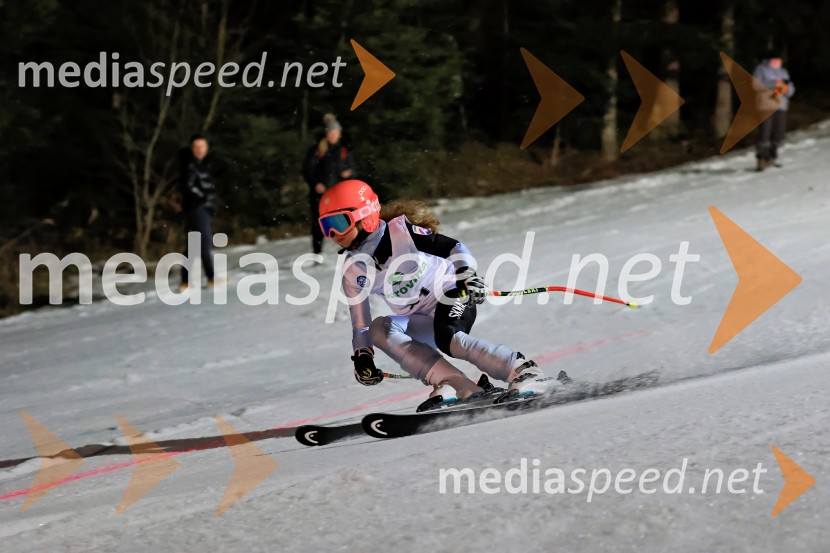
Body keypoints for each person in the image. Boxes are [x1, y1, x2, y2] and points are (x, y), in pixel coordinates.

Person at [318, 179, 555, 412]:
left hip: (453, 293)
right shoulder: (353, 271)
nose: (332, 233)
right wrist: (363, 356)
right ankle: (457, 384)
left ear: (366, 215)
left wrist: (467, 275)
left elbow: (453, 246)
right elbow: (360, 325)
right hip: (421, 318)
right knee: (379, 329)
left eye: (339, 222)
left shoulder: (401, 232)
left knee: (447, 337)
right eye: (325, 226)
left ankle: (523, 370)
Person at [303, 114, 356, 255]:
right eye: (331, 132)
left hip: (338, 195)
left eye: (335, 132)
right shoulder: (317, 150)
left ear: (339, 134)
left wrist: (348, 173)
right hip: (320, 195)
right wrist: (316, 184)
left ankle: (347, 248)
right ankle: (317, 253)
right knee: (318, 224)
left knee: (344, 221)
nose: (333, 135)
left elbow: (353, 171)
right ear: (327, 133)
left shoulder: (343, 152)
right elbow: (308, 171)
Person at [179, 134, 218, 289]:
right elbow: (189, 186)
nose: (199, 150)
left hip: (202, 208)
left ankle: (185, 281)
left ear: (207, 148)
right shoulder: (189, 164)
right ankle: (211, 278)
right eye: (196, 147)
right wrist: (202, 198)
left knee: (194, 244)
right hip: (196, 208)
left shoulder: (203, 164)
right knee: (205, 241)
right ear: (192, 148)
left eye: (202, 147)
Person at [753, 52, 795, 171]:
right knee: (765, 132)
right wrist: (774, 84)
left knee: (779, 133)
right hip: (766, 106)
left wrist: (786, 89)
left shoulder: (783, 71)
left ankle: (772, 156)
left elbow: (790, 87)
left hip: (781, 106)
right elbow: (756, 85)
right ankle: (761, 159)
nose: (777, 62)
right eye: (774, 60)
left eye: (779, 60)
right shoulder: (761, 69)